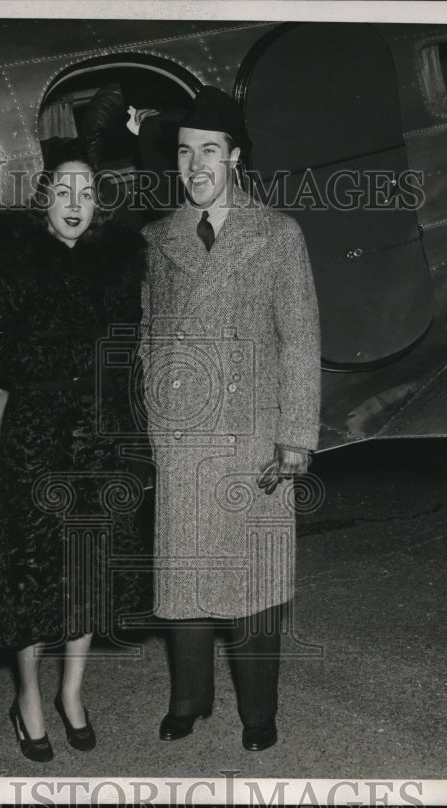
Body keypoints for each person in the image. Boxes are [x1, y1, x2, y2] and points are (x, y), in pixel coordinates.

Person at [139, 86, 321, 753]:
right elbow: (149, 339)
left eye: (209, 151)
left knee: (254, 585)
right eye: (186, 152)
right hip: (185, 440)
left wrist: (297, 439)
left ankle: (258, 714)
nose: (196, 165)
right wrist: (157, 425)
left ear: (234, 156)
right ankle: (188, 701)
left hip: (253, 440)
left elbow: (300, 339)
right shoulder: (159, 240)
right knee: (185, 581)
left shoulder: (277, 234)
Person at [0, 138, 147, 762]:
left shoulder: (120, 264)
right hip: (39, 438)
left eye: (87, 191)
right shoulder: (11, 261)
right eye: (64, 190)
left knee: (85, 572)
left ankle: (72, 693)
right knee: (29, 574)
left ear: (100, 203)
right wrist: (78, 360)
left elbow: (126, 352)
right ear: (45, 197)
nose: (75, 203)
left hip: (100, 436)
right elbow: (4, 351)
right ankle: (26, 702)